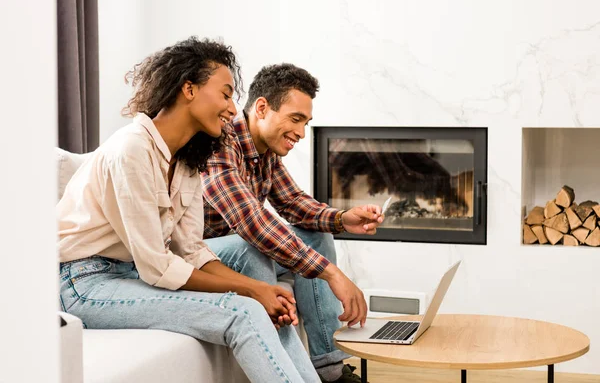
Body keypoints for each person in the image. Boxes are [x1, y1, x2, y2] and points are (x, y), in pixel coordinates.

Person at [57, 38, 320, 383]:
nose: (231, 108)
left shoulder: (187, 160)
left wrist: (264, 291)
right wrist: (253, 290)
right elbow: (158, 267)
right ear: (189, 89)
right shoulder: (131, 150)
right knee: (242, 312)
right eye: (225, 94)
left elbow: (192, 250)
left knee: (261, 298)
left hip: (131, 273)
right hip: (86, 284)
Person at [202, 63, 384, 383]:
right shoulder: (219, 143)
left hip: (238, 245)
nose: (301, 133)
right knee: (253, 247)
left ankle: (330, 369)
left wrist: (342, 219)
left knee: (316, 236)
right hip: (202, 256)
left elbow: (292, 203)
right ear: (262, 108)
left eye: (306, 122)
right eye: (295, 119)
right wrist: (332, 272)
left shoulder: (265, 150)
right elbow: (252, 223)